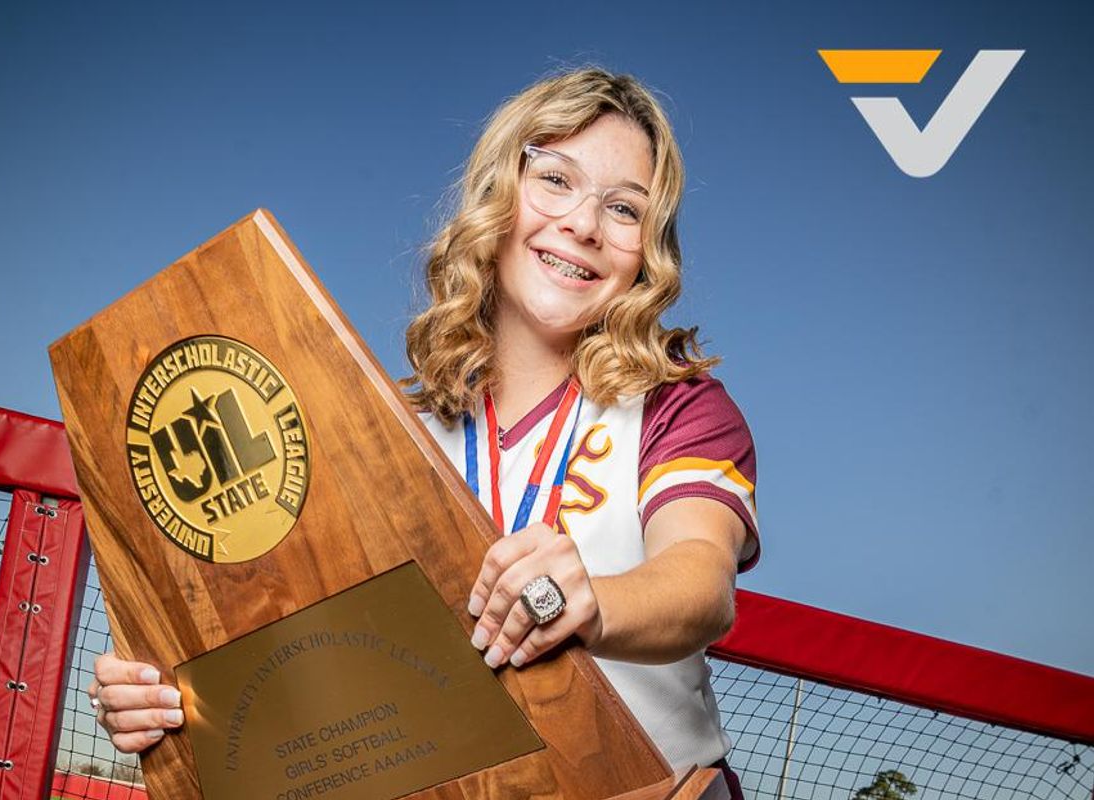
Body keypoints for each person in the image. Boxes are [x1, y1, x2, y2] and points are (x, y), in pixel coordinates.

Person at [88, 67, 758, 798]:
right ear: (498, 195)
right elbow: (317, 655)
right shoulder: (391, 434)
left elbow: (700, 581)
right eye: (556, 180)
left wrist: (592, 600)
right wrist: (176, 704)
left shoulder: (675, 404)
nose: (585, 224)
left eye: (624, 208)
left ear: (646, 252)